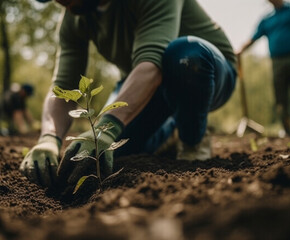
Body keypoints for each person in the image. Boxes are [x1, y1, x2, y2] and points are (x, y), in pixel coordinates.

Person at [20, 0, 237, 189]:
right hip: (146, 83)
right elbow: (62, 89)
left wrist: (109, 127)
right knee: (112, 152)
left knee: (184, 56)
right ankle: (171, 129)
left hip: (205, 71)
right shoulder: (74, 15)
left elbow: (151, 64)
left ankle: (192, 138)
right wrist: (48, 138)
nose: (59, 1)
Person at [238, 0, 290, 136]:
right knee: (280, 96)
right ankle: (286, 129)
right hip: (277, 62)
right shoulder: (267, 18)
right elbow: (253, 37)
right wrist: (240, 50)